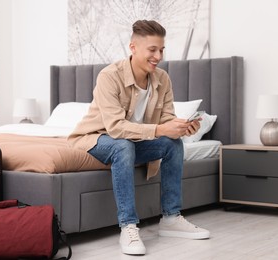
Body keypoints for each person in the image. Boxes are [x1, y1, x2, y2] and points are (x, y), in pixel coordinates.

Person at [68, 20, 210, 256]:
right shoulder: (109, 76)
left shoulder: (162, 79)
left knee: (172, 144)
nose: (158, 56)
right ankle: (128, 226)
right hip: (96, 138)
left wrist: (182, 128)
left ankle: (171, 218)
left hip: (132, 141)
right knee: (122, 146)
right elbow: (115, 128)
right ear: (133, 47)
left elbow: (166, 121)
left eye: (161, 50)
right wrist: (160, 130)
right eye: (152, 50)